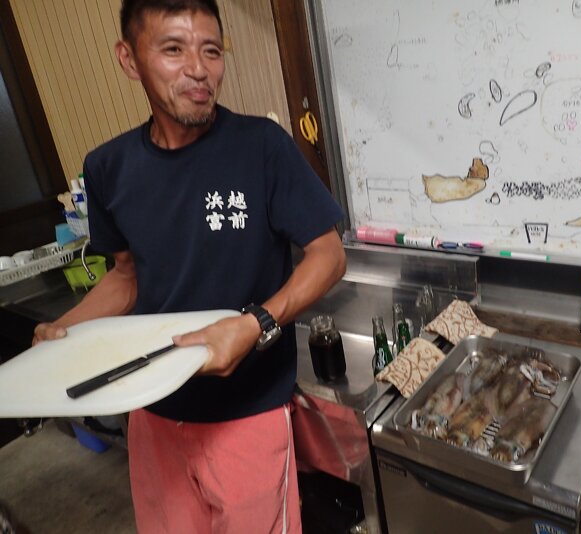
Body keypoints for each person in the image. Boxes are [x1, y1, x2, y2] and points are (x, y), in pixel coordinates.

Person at [32, 0, 346, 532]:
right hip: (151, 409)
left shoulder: (261, 146)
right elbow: (127, 277)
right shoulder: (108, 167)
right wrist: (65, 327)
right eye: (173, 49)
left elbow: (329, 254)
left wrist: (255, 324)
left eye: (211, 50)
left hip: (248, 413)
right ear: (129, 59)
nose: (199, 69)